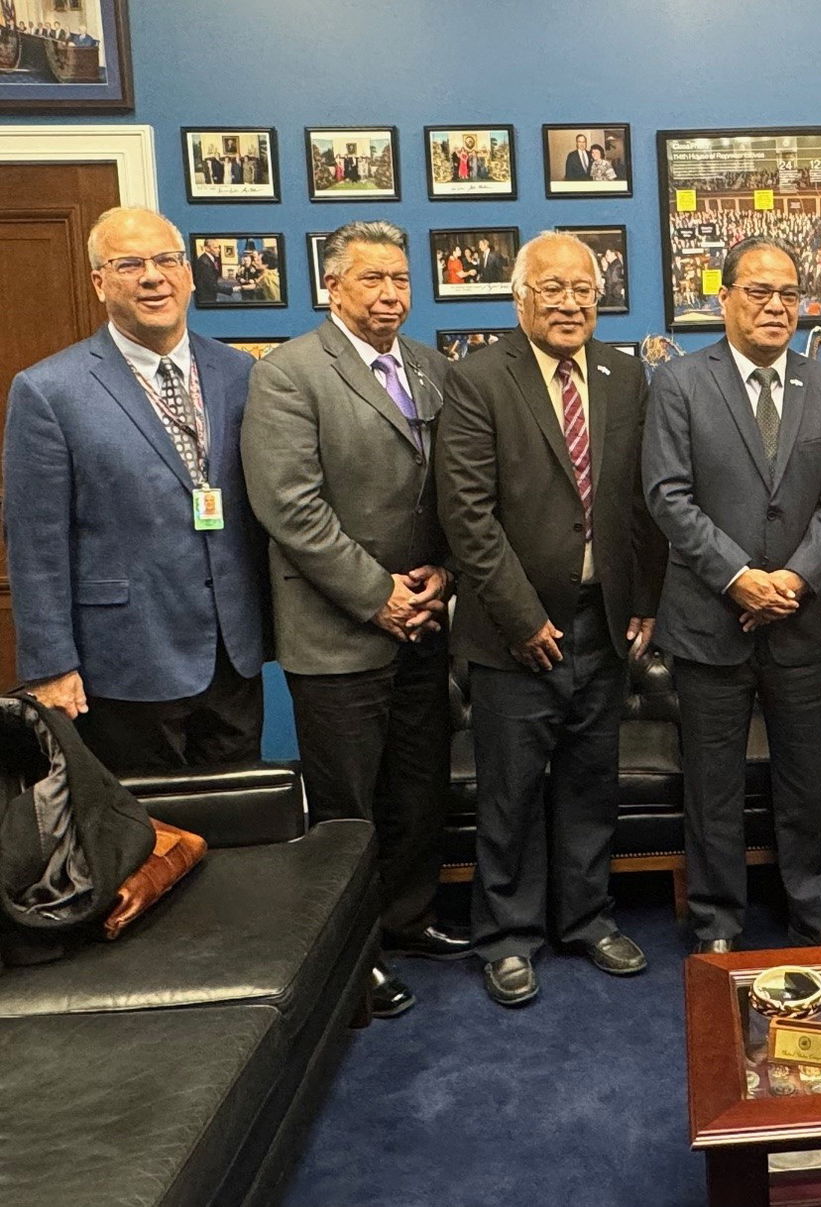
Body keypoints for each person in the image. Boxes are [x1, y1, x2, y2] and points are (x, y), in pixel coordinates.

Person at [242, 219, 467, 1020]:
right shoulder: (290, 374)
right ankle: (352, 954)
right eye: (371, 279)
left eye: (400, 279)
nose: (390, 294)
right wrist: (380, 595)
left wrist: (441, 570)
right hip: (338, 631)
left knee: (416, 787)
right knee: (348, 806)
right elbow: (290, 506)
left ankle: (407, 919)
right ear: (330, 286)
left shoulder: (432, 368)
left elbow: (452, 488)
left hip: (425, 621)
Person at [435, 233, 666, 1008]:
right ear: (520, 297)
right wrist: (523, 617)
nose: (570, 304)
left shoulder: (625, 374)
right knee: (509, 791)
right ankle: (505, 935)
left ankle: (586, 917)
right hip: (513, 631)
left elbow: (641, 499)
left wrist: (644, 597)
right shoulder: (476, 378)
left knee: (588, 782)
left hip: (602, 621)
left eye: (583, 290)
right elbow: (467, 516)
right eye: (553, 289)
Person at [642, 237, 821, 954]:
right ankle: (717, 921)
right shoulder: (679, 383)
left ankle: (813, 908)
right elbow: (667, 495)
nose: (776, 307)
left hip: (798, 621)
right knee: (714, 785)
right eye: (759, 292)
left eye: (789, 294)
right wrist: (739, 576)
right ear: (725, 298)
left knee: (808, 778)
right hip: (710, 619)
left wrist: (795, 578)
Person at [4, 206, 266, 773]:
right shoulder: (49, 390)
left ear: (190, 274)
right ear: (100, 282)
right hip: (123, 660)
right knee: (149, 843)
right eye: (130, 264)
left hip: (233, 654)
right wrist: (50, 666)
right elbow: (35, 542)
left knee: (242, 834)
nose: (153, 277)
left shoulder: (239, 373)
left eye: (167, 260)